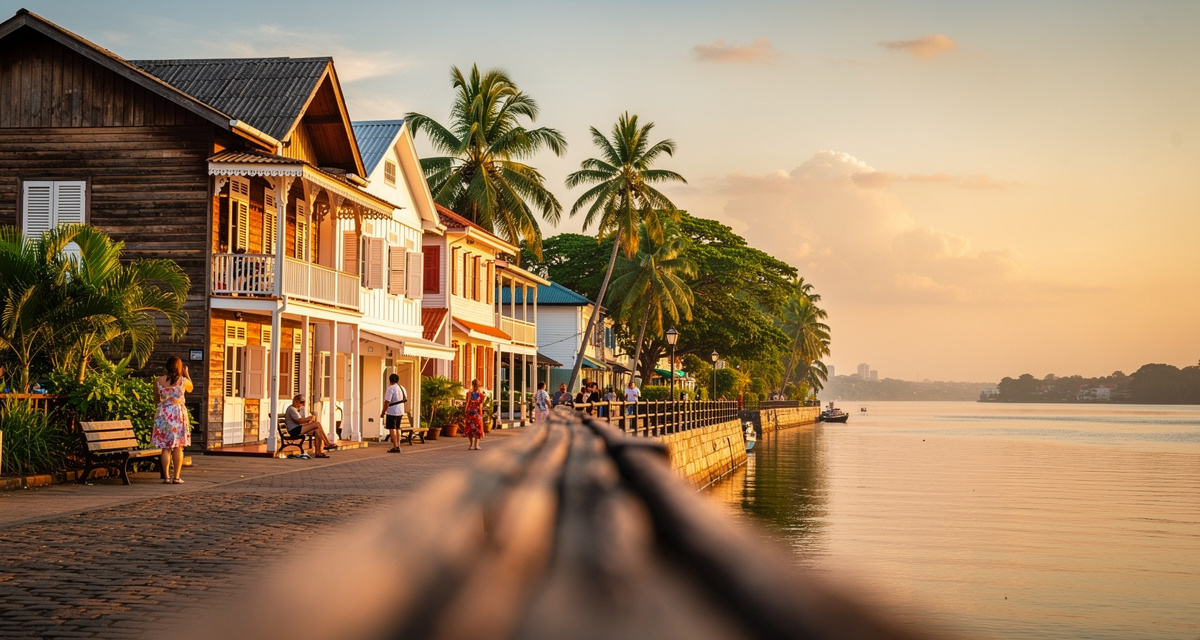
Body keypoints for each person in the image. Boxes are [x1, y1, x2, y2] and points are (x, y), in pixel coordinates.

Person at [153, 357, 193, 484]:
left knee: (165, 447)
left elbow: (156, 397)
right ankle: (176, 477)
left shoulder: (158, 380)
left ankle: (166, 477)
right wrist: (187, 374)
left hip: (163, 413)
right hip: (177, 414)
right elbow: (191, 388)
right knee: (178, 447)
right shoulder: (183, 381)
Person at [381, 373, 408, 453]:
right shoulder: (402, 388)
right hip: (400, 410)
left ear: (390, 380)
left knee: (392, 428)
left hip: (392, 411)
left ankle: (395, 446)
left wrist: (383, 412)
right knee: (397, 428)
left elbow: (387, 401)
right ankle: (398, 445)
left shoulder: (391, 388)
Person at [463, 379, 486, 450]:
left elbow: (467, 403)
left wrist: (466, 410)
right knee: (477, 429)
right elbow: (482, 402)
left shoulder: (469, 393)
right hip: (477, 413)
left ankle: (471, 445)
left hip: (470, 413)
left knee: (470, 429)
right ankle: (476, 444)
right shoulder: (481, 394)